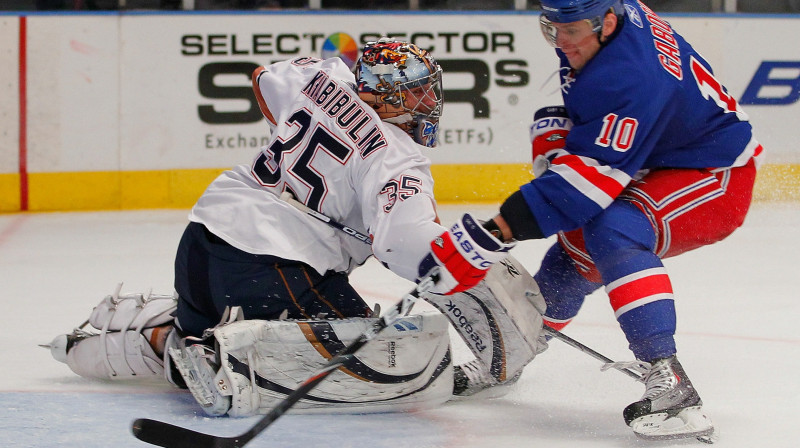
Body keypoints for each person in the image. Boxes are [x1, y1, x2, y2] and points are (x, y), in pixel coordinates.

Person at [44, 38, 520, 416]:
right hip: (272, 270)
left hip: (202, 242)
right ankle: (222, 359)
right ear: (392, 97)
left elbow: (263, 78)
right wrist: (466, 251)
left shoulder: (324, 79)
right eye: (418, 91)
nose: (428, 100)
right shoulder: (399, 159)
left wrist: (321, 126)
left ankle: (164, 336)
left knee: (198, 333)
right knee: (388, 358)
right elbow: (403, 246)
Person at [472, 0, 763, 442]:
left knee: (614, 230)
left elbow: (579, 190)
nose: (563, 42)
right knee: (571, 256)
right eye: (554, 30)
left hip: (716, 174)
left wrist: (494, 232)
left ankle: (670, 384)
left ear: (607, 22)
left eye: (573, 31)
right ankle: (511, 353)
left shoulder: (631, 76)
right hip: (662, 158)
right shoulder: (606, 22)